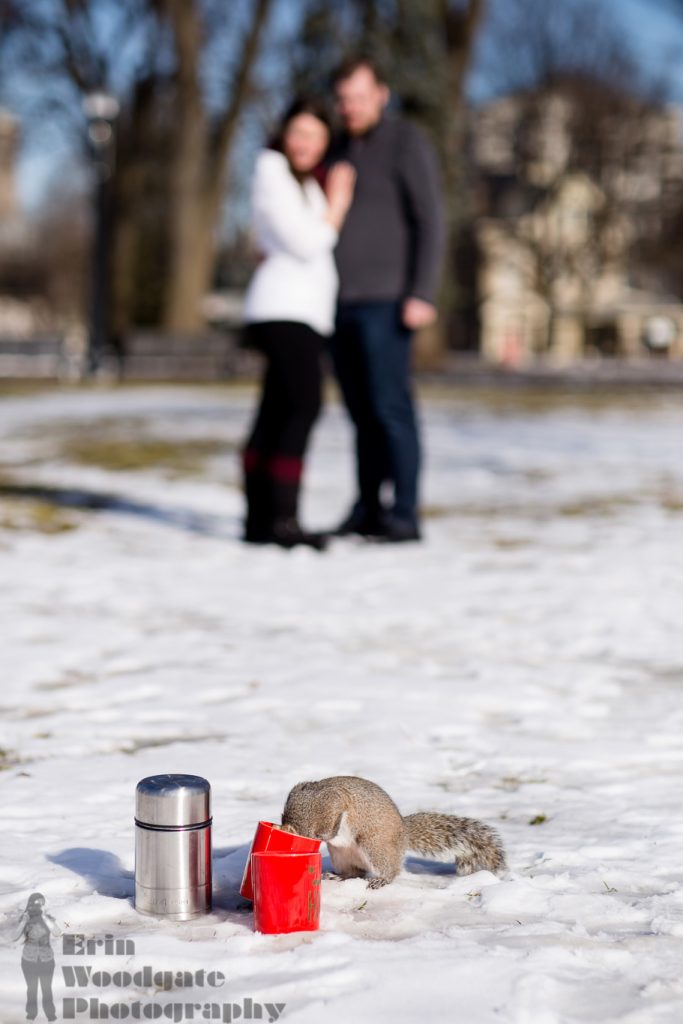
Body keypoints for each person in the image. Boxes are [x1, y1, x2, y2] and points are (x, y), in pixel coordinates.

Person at [329, 57, 446, 542]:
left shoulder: (405, 141)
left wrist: (421, 291)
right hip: (338, 301)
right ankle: (367, 506)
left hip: (388, 299)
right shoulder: (337, 148)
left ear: (382, 94)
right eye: (343, 99)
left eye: (359, 97)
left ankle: (405, 512)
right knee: (359, 412)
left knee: (390, 407)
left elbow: (430, 219)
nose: (350, 107)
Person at [241, 98, 356, 550]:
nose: (305, 143)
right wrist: (338, 205)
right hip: (284, 309)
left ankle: (259, 520)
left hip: (303, 311)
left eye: (315, 136)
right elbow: (307, 243)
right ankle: (282, 519)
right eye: (298, 132)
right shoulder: (272, 170)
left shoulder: (302, 181)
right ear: (283, 134)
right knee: (303, 405)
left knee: (275, 410)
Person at [13, 893, 59, 1022]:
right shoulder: (25, 918)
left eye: (41, 904)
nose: (38, 907)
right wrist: (23, 921)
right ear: (30, 904)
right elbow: (14, 937)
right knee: (31, 990)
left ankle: (51, 1017)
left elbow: (57, 932)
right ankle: (31, 1017)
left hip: (47, 960)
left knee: (47, 989)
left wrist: (44, 917)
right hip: (29, 960)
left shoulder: (48, 918)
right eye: (36, 904)